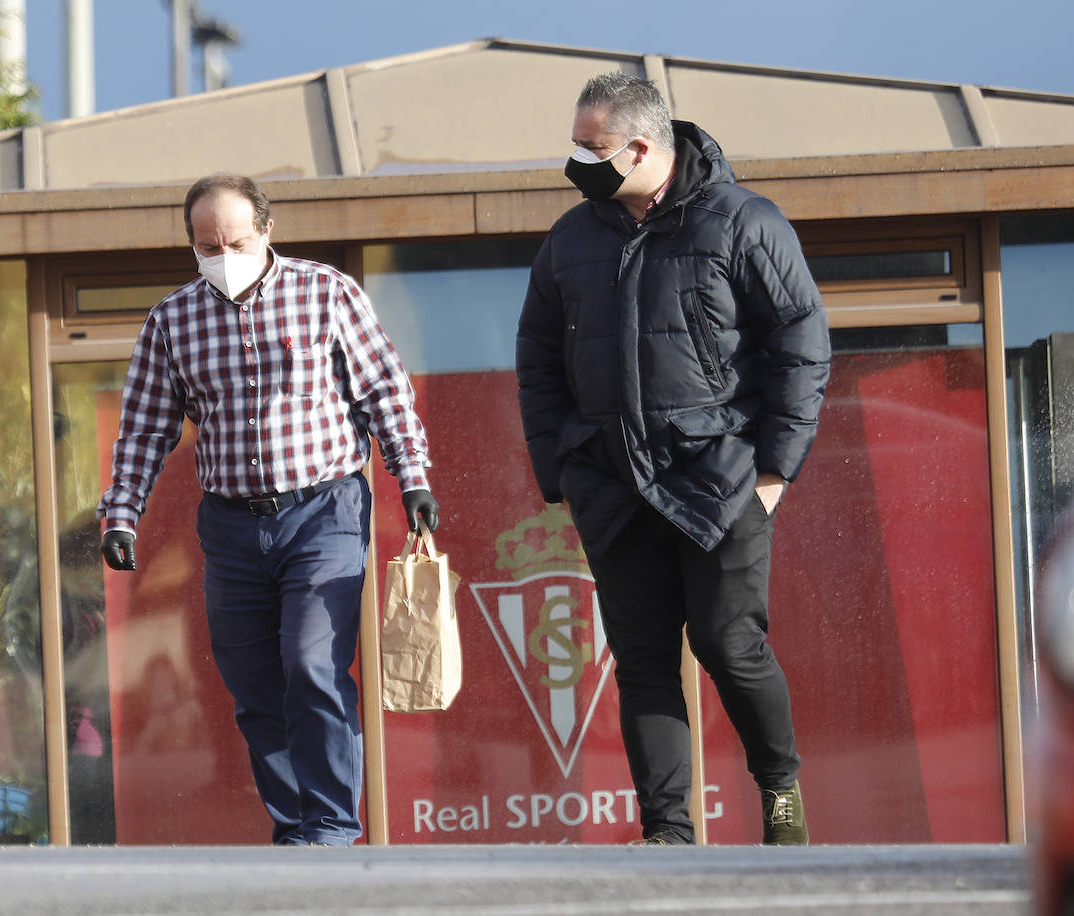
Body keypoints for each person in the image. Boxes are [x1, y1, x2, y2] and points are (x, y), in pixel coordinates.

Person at [515, 73, 831, 846]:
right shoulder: (571, 238)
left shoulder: (744, 221)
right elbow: (536, 356)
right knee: (644, 662)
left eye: (591, 148)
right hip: (614, 488)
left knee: (730, 646)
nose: (578, 162)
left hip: (719, 481)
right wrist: (562, 467)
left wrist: (772, 474)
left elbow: (801, 346)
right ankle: (668, 832)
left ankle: (780, 793)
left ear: (642, 147)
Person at [97, 172, 439, 847]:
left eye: (236, 240)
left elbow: (386, 394)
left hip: (325, 509)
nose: (223, 254)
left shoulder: (328, 293)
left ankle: (333, 828)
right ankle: (296, 829)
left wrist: (414, 478)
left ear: (268, 230)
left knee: (312, 665)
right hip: (230, 523)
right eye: (207, 244)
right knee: (254, 686)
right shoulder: (173, 320)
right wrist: (121, 515)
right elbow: (142, 429)